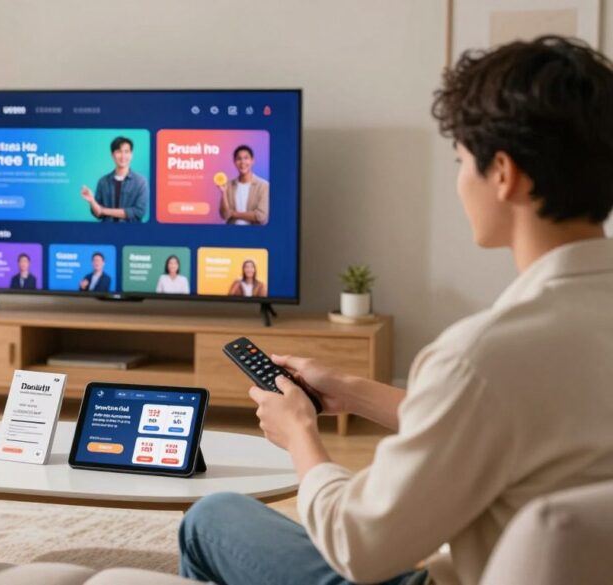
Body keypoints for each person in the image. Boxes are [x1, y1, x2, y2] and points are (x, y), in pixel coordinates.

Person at [179, 36, 613, 585]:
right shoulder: (530, 351)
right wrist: (350, 390)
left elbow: (358, 546)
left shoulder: (481, 356)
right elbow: (507, 425)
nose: (460, 183)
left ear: (503, 173)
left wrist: (301, 435)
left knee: (212, 516)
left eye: (461, 161)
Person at [80, 136, 149, 222]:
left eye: (126, 151)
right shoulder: (103, 182)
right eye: (118, 151)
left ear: (131, 155)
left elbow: (139, 212)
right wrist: (92, 200)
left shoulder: (141, 182)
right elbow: (98, 214)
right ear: (112, 155)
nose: (123, 156)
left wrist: (103, 210)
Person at [218, 145, 269, 225]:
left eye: (246, 158)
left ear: (252, 161)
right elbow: (224, 215)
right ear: (234, 162)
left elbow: (260, 216)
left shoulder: (264, 186)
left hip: (254, 235)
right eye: (239, 159)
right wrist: (223, 193)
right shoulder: (229, 185)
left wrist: (233, 214)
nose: (242, 162)